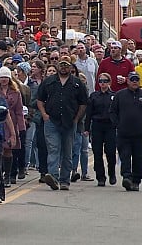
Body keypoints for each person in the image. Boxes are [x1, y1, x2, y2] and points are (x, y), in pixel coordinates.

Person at [37, 56, 88, 191]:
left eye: (66, 65)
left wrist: (77, 119)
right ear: (58, 66)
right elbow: (40, 100)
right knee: (53, 149)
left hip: (70, 122)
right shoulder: (48, 82)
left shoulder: (77, 83)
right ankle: (53, 177)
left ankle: (65, 180)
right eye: (61, 65)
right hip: (52, 121)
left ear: (71, 67)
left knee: (67, 151)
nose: (64, 68)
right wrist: (44, 115)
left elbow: (83, 103)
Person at [110, 72, 142, 191]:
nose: (135, 82)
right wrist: (117, 124)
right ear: (127, 81)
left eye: (137, 79)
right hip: (123, 133)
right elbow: (112, 112)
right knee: (124, 156)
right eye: (132, 79)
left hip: (139, 134)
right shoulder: (120, 95)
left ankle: (136, 181)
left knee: (139, 158)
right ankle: (127, 178)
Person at [84, 73, 117, 186]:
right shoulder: (94, 96)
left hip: (110, 126)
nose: (103, 83)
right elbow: (89, 113)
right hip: (97, 125)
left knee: (110, 152)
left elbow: (118, 112)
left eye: (105, 81)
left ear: (109, 82)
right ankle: (100, 177)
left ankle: (112, 173)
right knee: (97, 153)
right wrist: (86, 128)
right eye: (101, 81)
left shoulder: (114, 96)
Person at [0, 67, 26, 186]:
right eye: (2, 77)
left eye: (6, 77)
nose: (4, 79)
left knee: (9, 149)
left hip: (11, 123)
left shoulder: (16, 92)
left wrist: (21, 127)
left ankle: (8, 176)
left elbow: (19, 110)